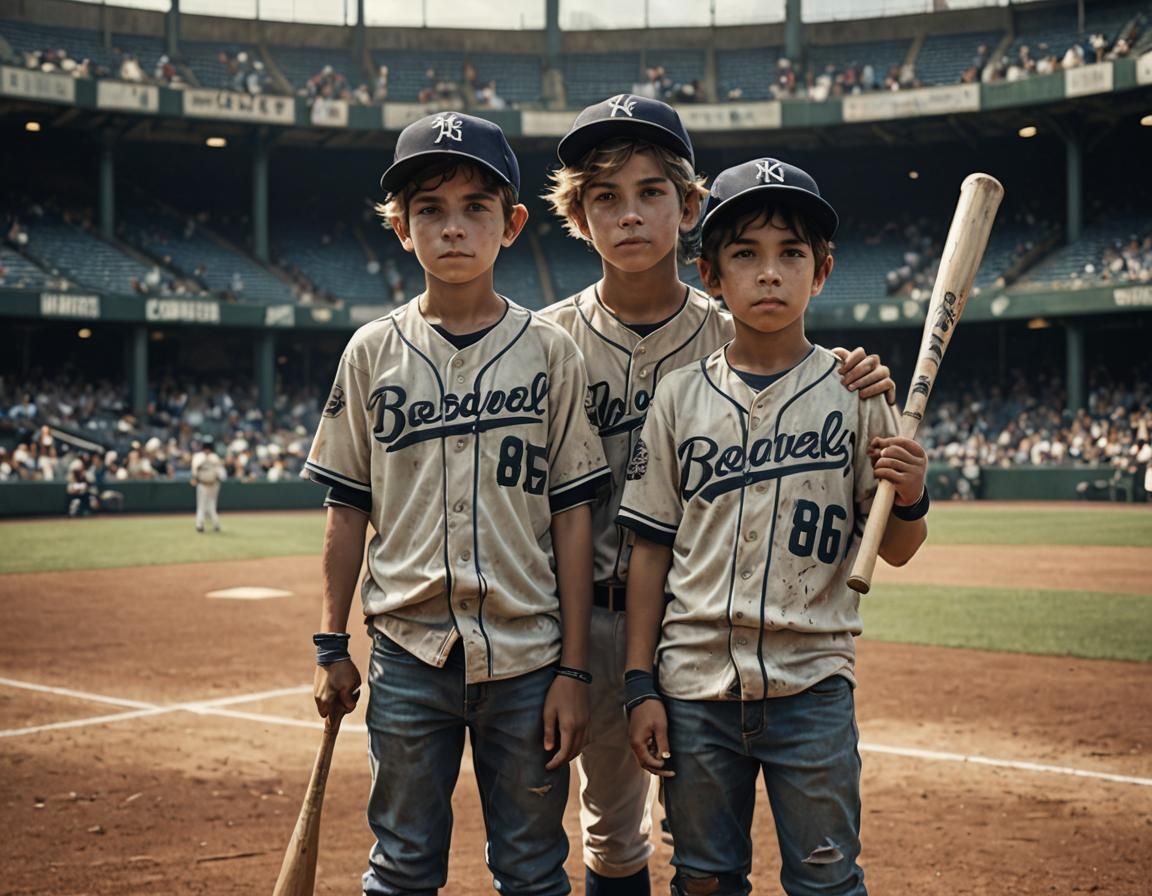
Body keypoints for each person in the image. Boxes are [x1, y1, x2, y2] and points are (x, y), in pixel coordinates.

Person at [540, 97, 896, 896]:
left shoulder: (730, 324)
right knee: (611, 830)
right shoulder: (545, 340)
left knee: (692, 843)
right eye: (605, 198)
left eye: (652, 193)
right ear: (577, 214)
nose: (630, 215)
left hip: (688, 626)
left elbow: (798, 366)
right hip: (580, 614)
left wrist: (858, 375)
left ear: (691, 208)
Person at [304, 111, 611, 896]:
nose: (452, 226)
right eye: (429, 209)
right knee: (402, 865)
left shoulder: (551, 352)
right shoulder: (371, 351)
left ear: (511, 225)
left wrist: (576, 667)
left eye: (475, 206)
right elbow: (347, 511)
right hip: (409, 653)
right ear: (401, 229)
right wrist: (330, 644)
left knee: (534, 870)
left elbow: (573, 516)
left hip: (528, 658)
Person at [619, 157, 929, 896]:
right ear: (710, 276)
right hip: (694, 684)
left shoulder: (858, 394)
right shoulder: (678, 397)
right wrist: (639, 685)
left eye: (791, 254)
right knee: (703, 877)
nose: (768, 274)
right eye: (745, 255)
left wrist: (911, 495)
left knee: (827, 879)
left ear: (820, 273)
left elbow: (899, 545)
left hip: (812, 683)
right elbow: (649, 549)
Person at [190, 435, 226, 532]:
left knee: (211, 505)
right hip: (203, 484)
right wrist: (194, 478)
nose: (207, 449)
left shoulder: (214, 457)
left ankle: (215, 524)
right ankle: (200, 524)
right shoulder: (198, 457)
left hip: (213, 484)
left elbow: (221, 473)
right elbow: (194, 471)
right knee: (202, 506)